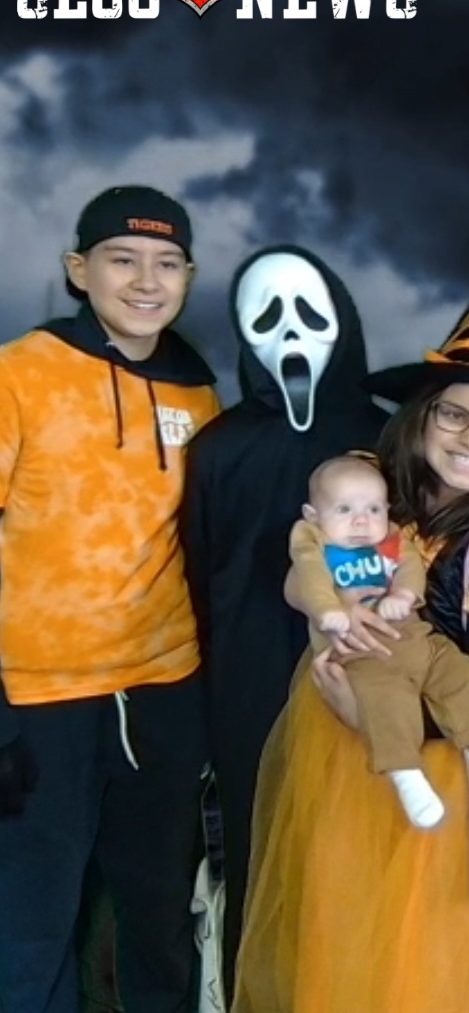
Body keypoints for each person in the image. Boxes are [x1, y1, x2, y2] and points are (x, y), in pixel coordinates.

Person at [231, 234, 469, 1013]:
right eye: (455, 413)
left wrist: (370, 717)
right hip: (338, 767)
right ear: (421, 417)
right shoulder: (370, 494)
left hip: (437, 773)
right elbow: (300, 564)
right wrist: (326, 604)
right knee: (342, 940)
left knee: (421, 963)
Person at [0, 186, 220, 1011]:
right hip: (40, 694)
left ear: (189, 276)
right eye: (122, 259)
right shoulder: (20, 373)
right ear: (78, 269)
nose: (146, 281)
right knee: (32, 916)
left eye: (167, 263)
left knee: (159, 914)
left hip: (163, 686)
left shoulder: (198, 390)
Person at [181, 244, 388, 994]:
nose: (291, 332)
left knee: (366, 860)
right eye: (267, 316)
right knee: (260, 854)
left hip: (366, 682)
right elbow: (199, 573)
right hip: (249, 691)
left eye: (307, 312)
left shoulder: (387, 438)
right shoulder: (218, 448)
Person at [288, 453, 469, 828]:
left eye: (373, 509)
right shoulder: (315, 542)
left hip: (419, 640)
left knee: (466, 680)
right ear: (313, 515)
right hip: (363, 654)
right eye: (344, 510)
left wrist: (404, 594)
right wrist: (329, 610)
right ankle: (407, 777)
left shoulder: (391, 537)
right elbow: (308, 579)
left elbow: (409, 565)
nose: (361, 521)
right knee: (387, 706)